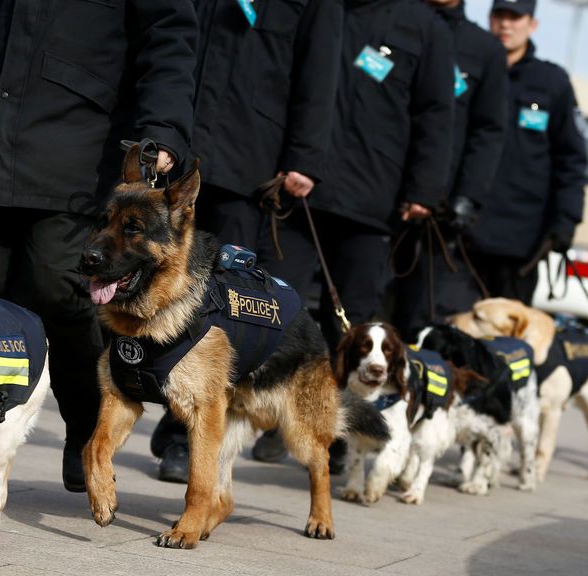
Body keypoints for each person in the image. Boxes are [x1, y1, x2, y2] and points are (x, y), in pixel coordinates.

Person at [0, 0, 197, 497]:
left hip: (79, 161)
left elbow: (168, 37)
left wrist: (164, 130)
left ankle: (88, 432)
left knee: (59, 291)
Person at [252, 0, 456, 465]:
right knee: (279, 309)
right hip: (301, 190)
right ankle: (279, 416)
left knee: (352, 325)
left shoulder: (425, 27)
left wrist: (423, 189)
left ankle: (338, 433)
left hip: (373, 200)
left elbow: (436, 114)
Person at [148, 0, 343, 483]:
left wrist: (304, 157)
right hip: (181, 150)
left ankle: (184, 438)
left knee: (218, 309)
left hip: (248, 161)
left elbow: (319, 72)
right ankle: (159, 406)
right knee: (156, 289)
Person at [392, 0, 507, 337]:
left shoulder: (484, 49)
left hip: (438, 211)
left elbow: (488, 132)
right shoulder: (396, 21)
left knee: (417, 313)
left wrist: (468, 196)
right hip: (382, 188)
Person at [467, 0, 587, 304]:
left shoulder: (552, 83)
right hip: (460, 235)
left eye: (515, 17)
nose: (506, 24)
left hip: (520, 242)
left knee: (508, 342)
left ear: (532, 24)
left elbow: (571, 160)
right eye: (499, 15)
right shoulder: (467, 67)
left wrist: (565, 222)